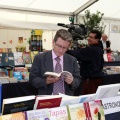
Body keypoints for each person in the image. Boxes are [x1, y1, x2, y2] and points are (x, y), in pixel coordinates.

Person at [29, 29, 81, 95]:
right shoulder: (40, 58)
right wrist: (45, 81)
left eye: (65, 48)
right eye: (59, 46)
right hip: (47, 100)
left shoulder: (72, 60)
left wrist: (72, 81)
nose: (61, 50)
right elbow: (32, 80)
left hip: (66, 99)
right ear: (53, 42)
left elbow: (78, 80)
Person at [67, 29, 104, 95]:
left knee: (88, 100)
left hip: (90, 81)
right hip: (96, 79)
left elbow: (77, 54)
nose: (88, 39)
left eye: (91, 37)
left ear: (97, 39)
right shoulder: (99, 49)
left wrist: (66, 49)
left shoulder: (91, 50)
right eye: (89, 36)